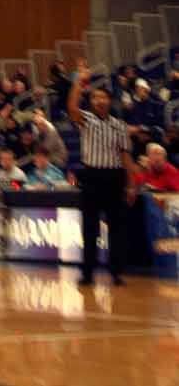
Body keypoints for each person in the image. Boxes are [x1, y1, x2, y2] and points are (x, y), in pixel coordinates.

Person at [68, 68, 135, 288]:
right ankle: (87, 273)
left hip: (114, 177)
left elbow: (126, 156)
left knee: (116, 228)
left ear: (109, 100)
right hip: (92, 176)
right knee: (90, 228)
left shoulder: (119, 126)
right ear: (92, 101)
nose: (99, 101)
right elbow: (71, 107)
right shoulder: (85, 119)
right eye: (95, 97)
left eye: (103, 97)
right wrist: (79, 81)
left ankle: (116, 272)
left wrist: (131, 185)